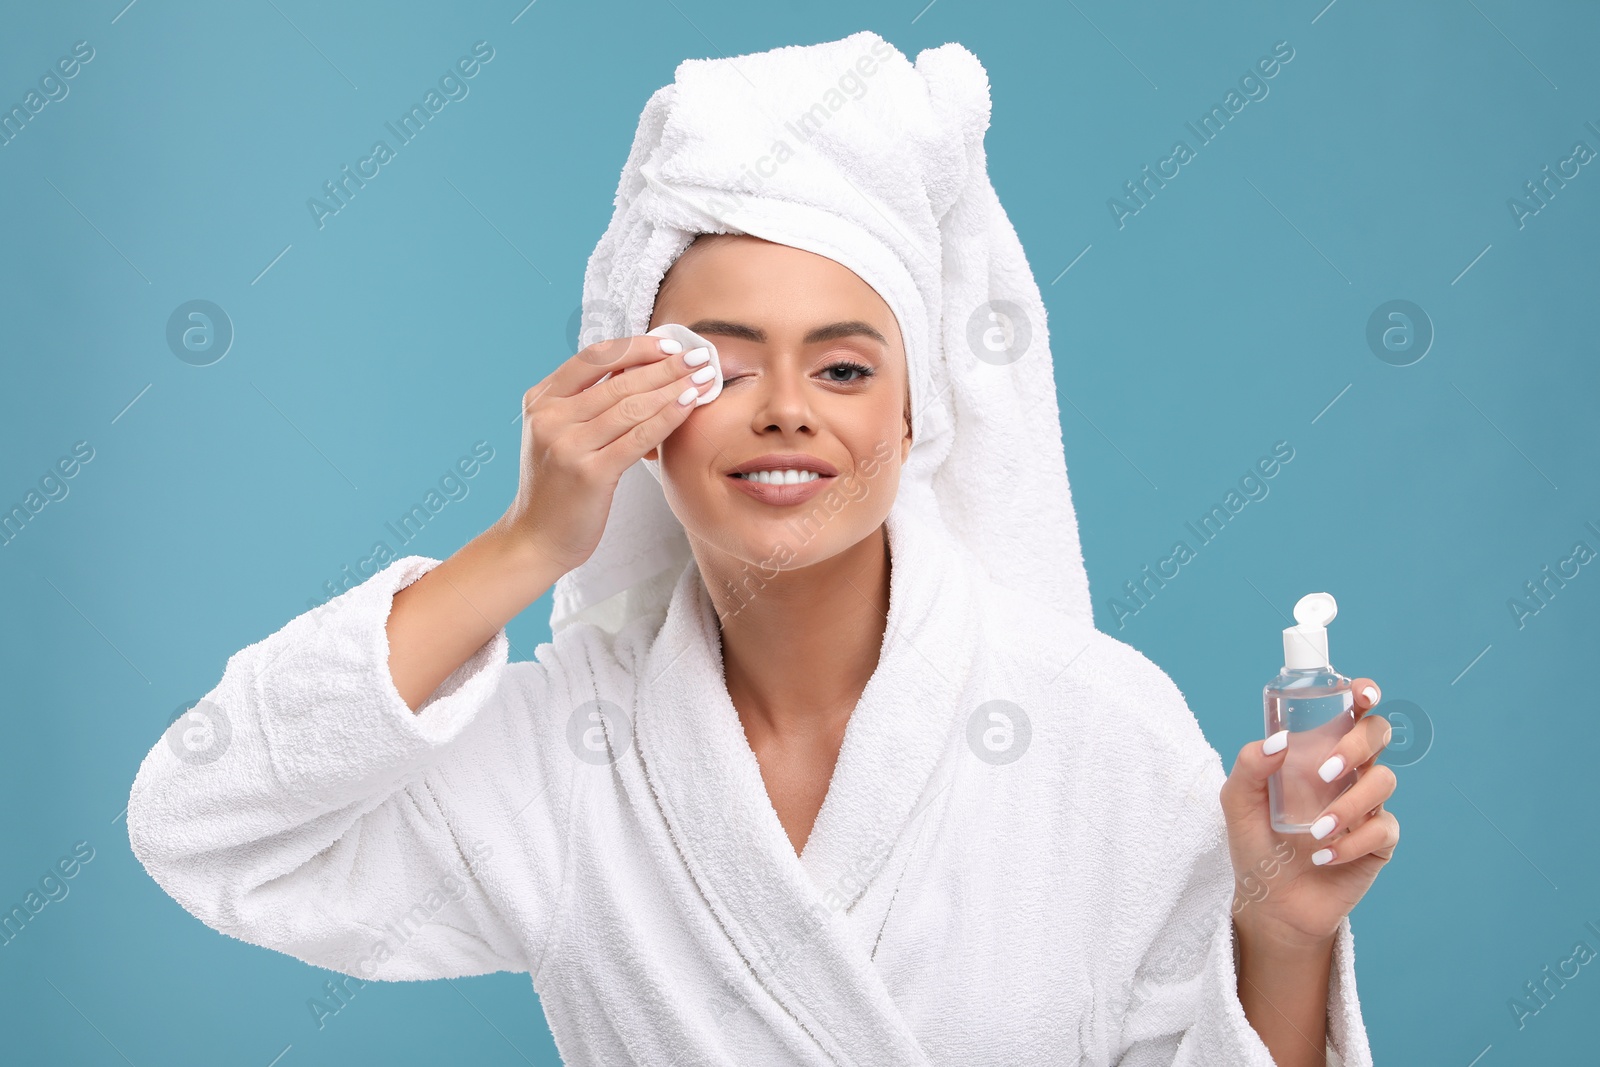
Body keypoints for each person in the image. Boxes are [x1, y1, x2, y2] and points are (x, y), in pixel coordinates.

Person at [128, 30, 1397, 1066]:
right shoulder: (570, 751)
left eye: (844, 366)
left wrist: (1279, 934)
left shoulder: (1095, 727)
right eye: (718, 367)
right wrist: (527, 545)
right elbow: (206, 818)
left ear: (918, 414)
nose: (785, 406)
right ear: (636, 406)